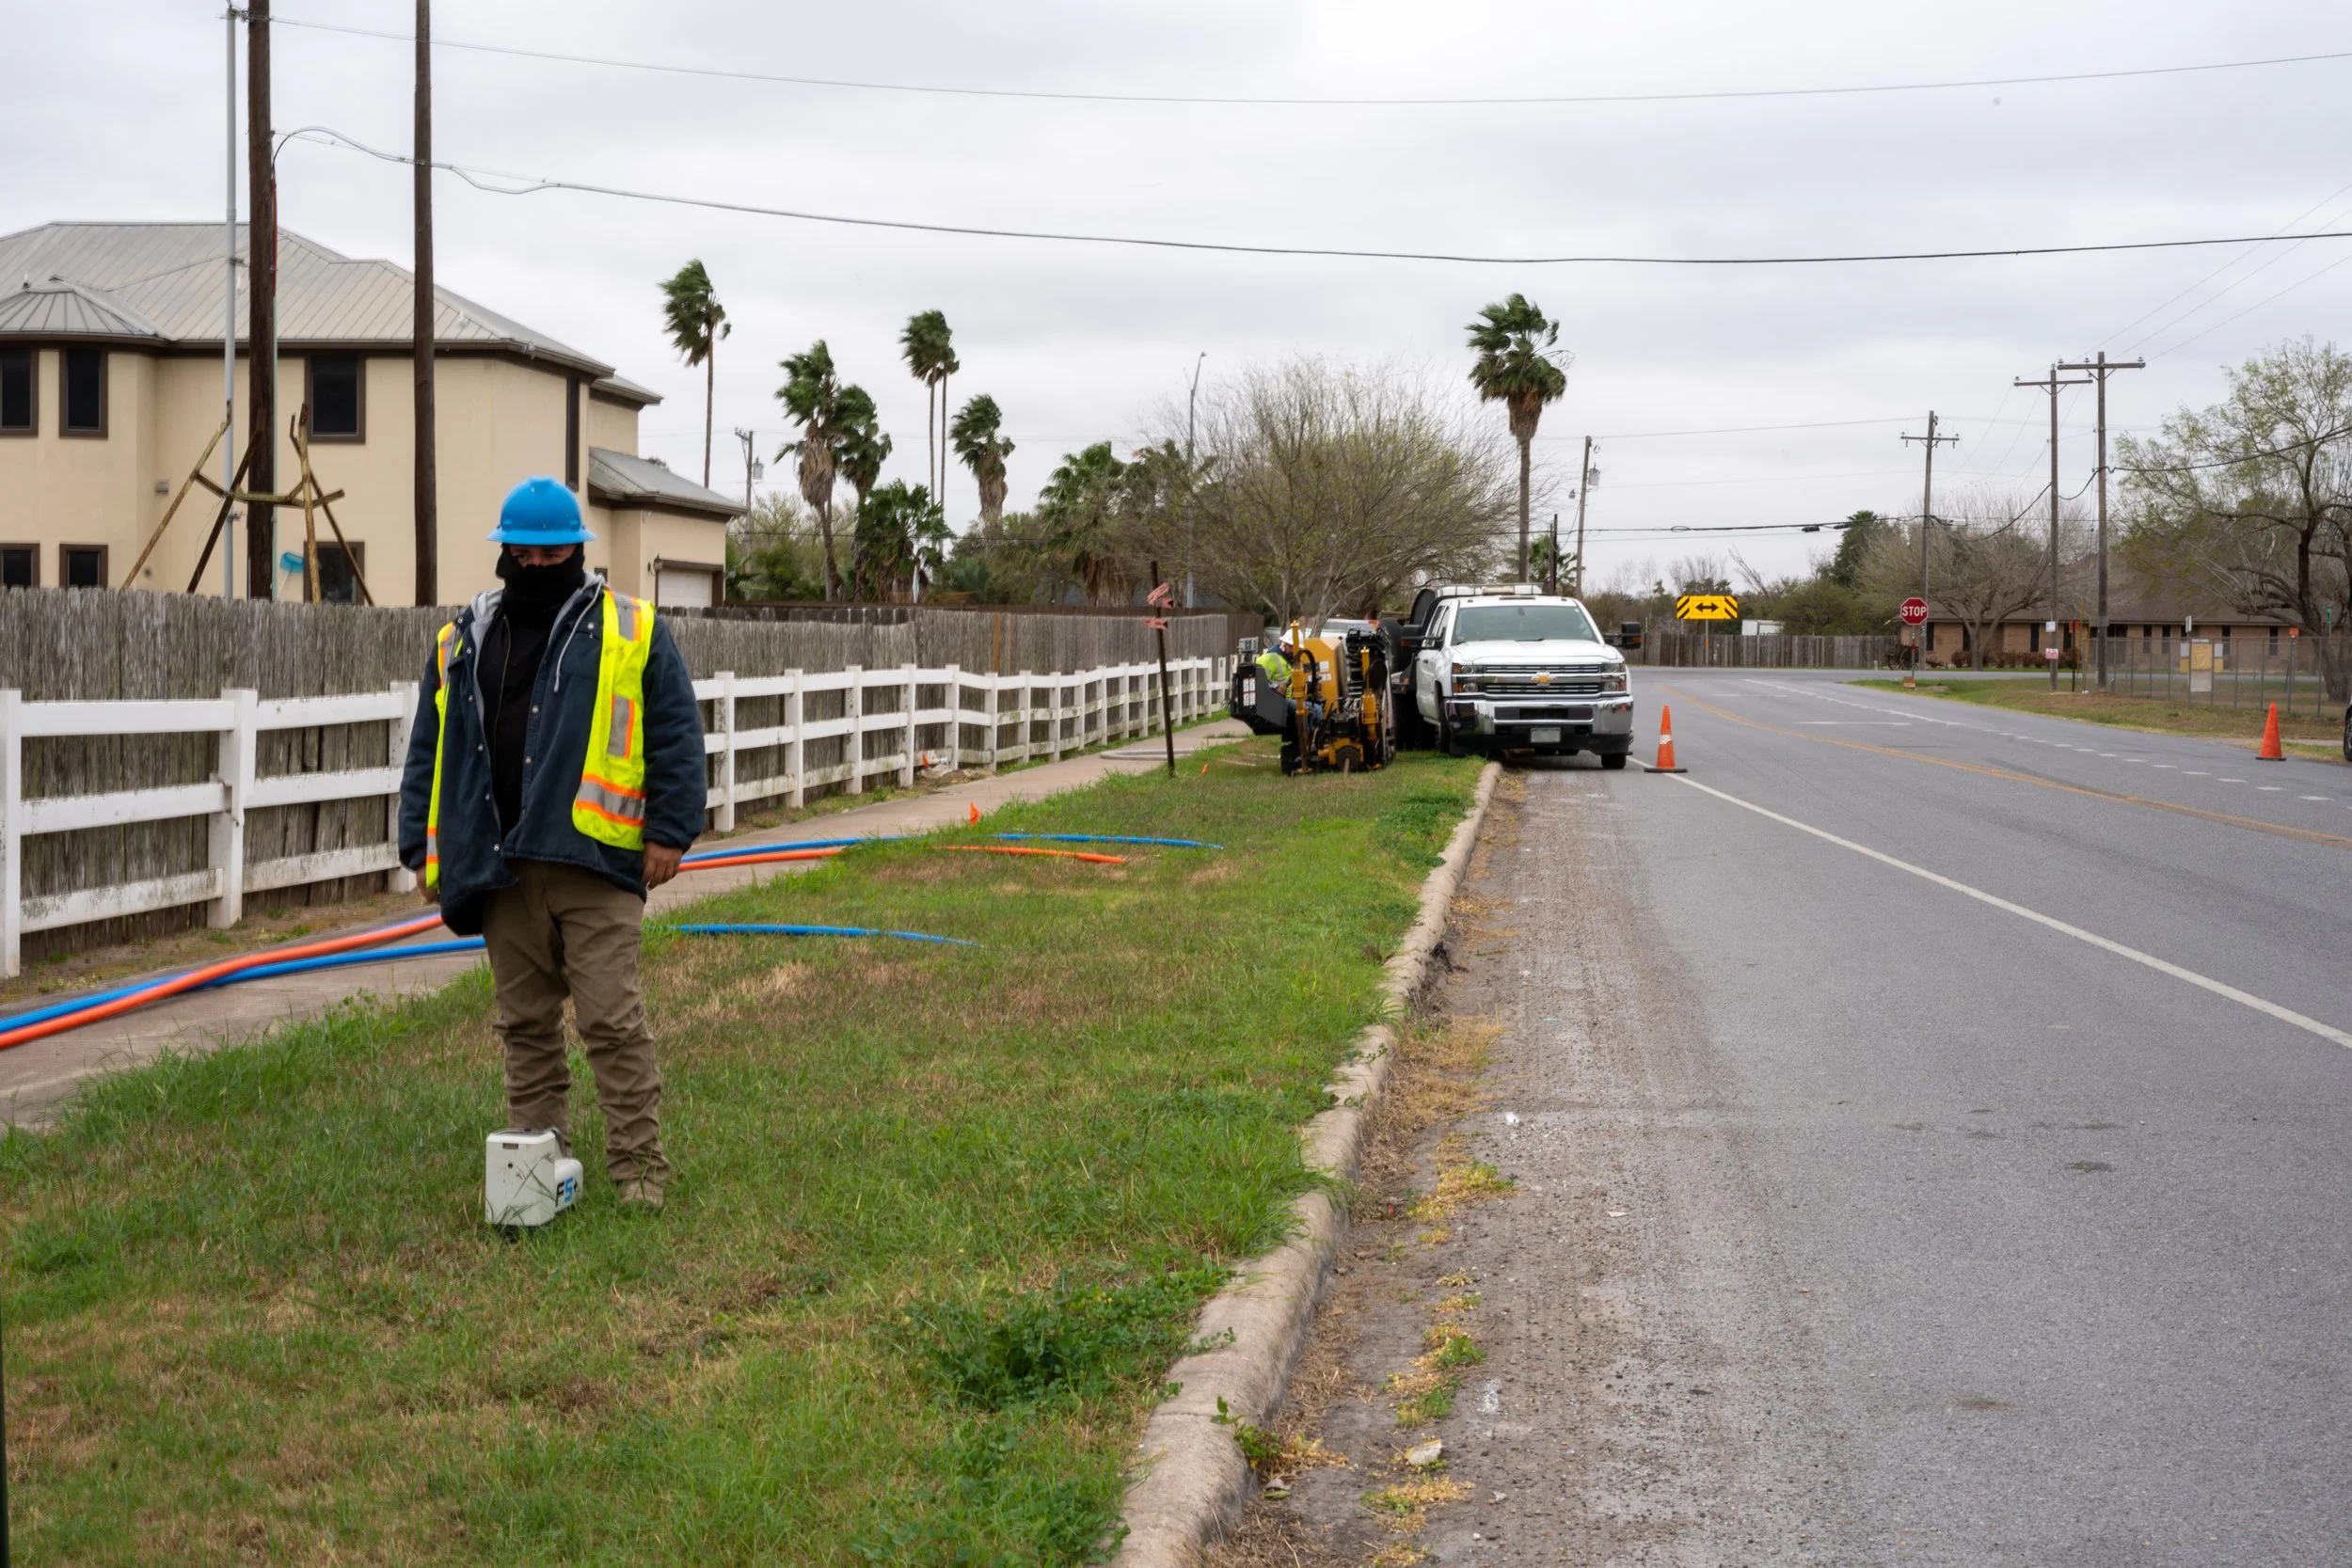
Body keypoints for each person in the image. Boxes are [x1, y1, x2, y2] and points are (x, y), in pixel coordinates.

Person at [397, 477, 705, 1212]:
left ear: (577, 548)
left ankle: (639, 1172)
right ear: (505, 549)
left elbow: (674, 732)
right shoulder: (463, 637)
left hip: (593, 860)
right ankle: (537, 1174)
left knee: (610, 1019)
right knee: (526, 1025)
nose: (536, 563)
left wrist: (669, 830)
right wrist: (422, 848)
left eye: (551, 550)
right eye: (523, 551)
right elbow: (429, 749)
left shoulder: (631, 627)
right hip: (500, 865)